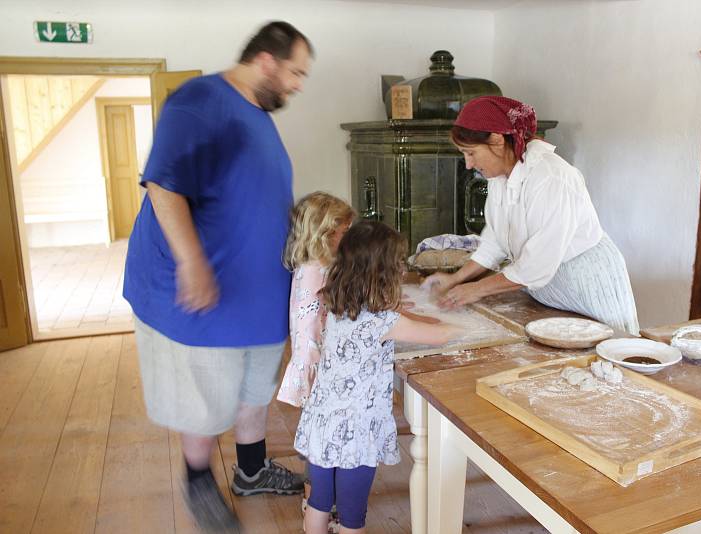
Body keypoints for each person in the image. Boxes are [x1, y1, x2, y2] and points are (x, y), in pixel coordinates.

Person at [122, 21, 313, 531]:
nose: (298, 84)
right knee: (203, 395)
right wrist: (192, 262)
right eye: (295, 72)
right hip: (203, 292)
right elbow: (164, 186)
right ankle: (198, 478)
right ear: (267, 61)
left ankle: (250, 471)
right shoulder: (199, 101)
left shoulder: (256, 115)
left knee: (254, 389)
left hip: (258, 294)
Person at [422, 96, 639, 335]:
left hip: (586, 284)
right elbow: (495, 239)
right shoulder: (499, 178)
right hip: (549, 287)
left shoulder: (550, 177)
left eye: (471, 153)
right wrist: (457, 278)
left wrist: (476, 289)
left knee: (603, 354)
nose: (469, 164)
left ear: (496, 140)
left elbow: (537, 265)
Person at [294, 221, 459, 534]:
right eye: (397, 263)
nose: (401, 268)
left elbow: (388, 313)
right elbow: (438, 336)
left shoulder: (337, 305)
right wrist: (462, 326)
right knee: (352, 516)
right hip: (355, 435)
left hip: (322, 424)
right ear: (382, 272)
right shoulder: (384, 322)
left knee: (319, 501)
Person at [276, 191, 355, 531]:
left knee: (320, 443)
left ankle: (320, 505)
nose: (349, 237)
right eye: (345, 232)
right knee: (319, 447)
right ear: (326, 234)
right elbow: (316, 323)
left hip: (319, 364)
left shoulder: (319, 266)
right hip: (317, 368)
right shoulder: (314, 273)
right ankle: (315, 508)